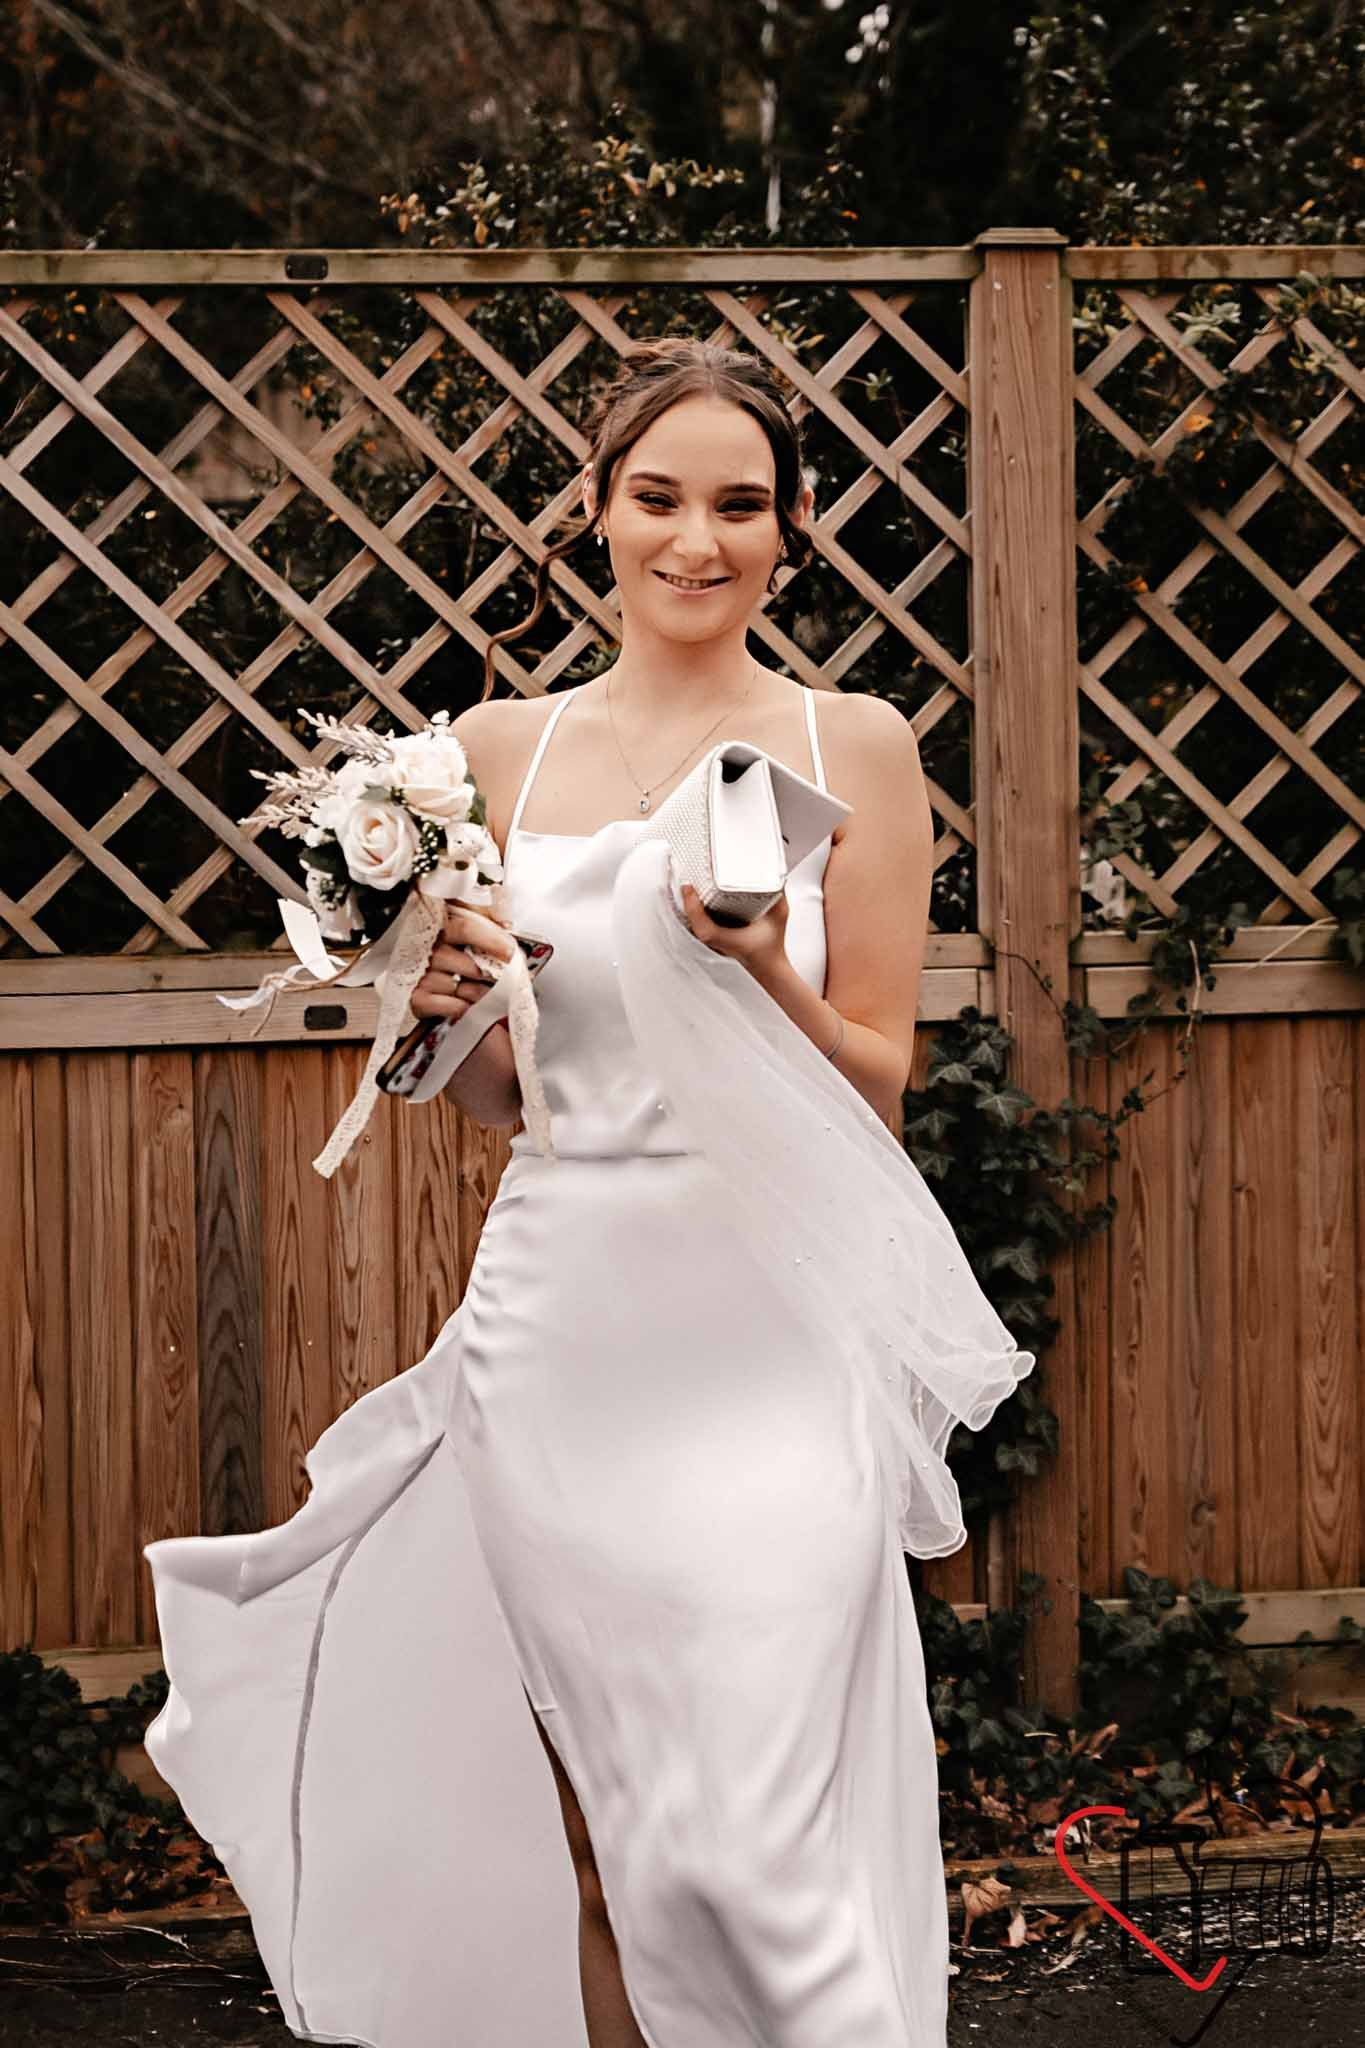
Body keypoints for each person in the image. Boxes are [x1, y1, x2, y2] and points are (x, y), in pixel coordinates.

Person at [143, 337, 1033, 2048]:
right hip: (563, 1338)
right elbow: (493, 1094)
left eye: (739, 504)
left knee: (745, 1831)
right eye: (658, 499)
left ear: (788, 531)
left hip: (773, 1330)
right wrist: (428, 1004)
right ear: (594, 514)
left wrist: (765, 962)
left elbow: (877, 1081)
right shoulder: (500, 750)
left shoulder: (856, 741)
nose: (696, 540)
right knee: (610, 1829)